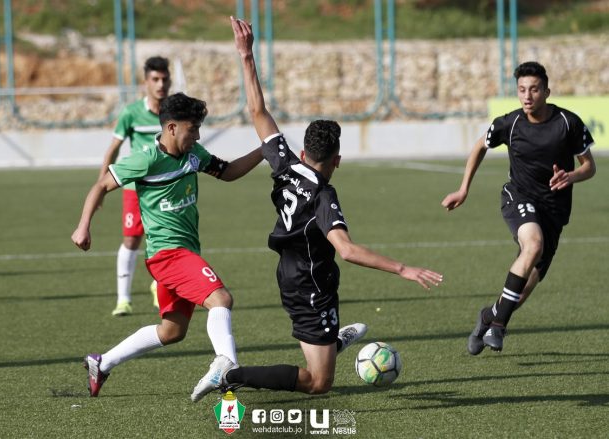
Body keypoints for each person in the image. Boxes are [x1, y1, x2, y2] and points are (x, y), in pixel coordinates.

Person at [189, 17, 444, 402]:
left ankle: (332, 341)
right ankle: (231, 374)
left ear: (303, 152)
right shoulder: (324, 196)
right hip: (311, 285)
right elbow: (347, 250)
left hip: (290, 272)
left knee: (321, 361)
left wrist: (246, 55)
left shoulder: (285, 164)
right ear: (337, 160)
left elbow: (258, 111)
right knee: (318, 383)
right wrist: (403, 269)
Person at [72, 92, 264, 397]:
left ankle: (103, 362)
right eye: (193, 129)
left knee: (172, 331)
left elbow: (227, 172)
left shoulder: (194, 154)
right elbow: (102, 185)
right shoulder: (146, 159)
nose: (197, 136)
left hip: (184, 253)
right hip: (169, 255)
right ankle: (227, 369)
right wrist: (83, 226)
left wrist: (264, 150)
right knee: (221, 299)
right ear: (172, 128)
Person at [441, 61, 596, 354]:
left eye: (534, 89)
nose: (527, 96)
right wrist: (463, 188)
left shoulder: (568, 123)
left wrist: (571, 176)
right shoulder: (509, 123)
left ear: (546, 91)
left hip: (554, 212)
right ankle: (499, 326)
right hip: (519, 197)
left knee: (520, 294)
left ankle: (489, 316)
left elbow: (589, 166)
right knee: (533, 244)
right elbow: (480, 146)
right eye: (522, 90)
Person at [101, 56, 171, 316]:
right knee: (131, 239)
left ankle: (159, 285)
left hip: (166, 188)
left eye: (164, 79)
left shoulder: (173, 111)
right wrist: (101, 185)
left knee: (167, 240)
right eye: (155, 79)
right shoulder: (131, 113)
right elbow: (113, 150)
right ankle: (123, 299)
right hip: (135, 189)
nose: (160, 84)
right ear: (146, 82)